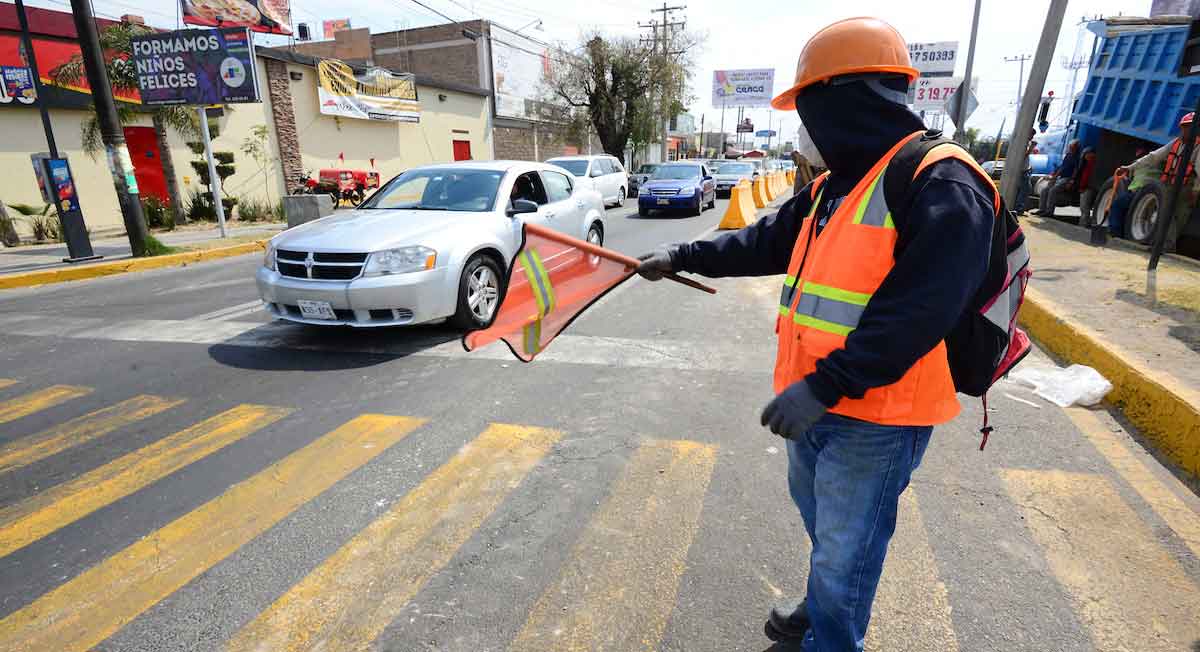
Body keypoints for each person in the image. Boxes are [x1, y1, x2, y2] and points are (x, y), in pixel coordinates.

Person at [636, 17, 996, 652]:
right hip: (820, 399)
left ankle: (831, 637)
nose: (803, 125)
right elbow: (767, 240)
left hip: (878, 413)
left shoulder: (941, 180)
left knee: (847, 547)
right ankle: (824, 604)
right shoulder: (835, 183)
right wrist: (684, 254)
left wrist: (826, 386)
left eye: (806, 104)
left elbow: (918, 310)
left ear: (844, 99)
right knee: (826, 528)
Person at [1116, 113, 1200, 248]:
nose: (1186, 130)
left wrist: (1196, 190)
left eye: (1190, 127)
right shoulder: (1176, 143)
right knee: (1167, 213)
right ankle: (1164, 245)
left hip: (1185, 188)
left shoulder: (1197, 147)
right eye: (1184, 127)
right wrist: (1130, 167)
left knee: (1179, 217)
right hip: (1169, 185)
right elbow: (1153, 157)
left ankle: (1166, 245)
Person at [1105, 145, 1151, 237]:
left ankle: (1115, 231)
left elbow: (1130, 179)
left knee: (1117, 205)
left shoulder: (1138, 164)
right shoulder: (1157, 164)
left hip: (1136, 191)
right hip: (1149, 193)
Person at [1034, 139, 1080, 217]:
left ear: (1076, 147)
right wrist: (1054, 175)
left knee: (1053, 190)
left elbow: (1076, 170)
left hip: (1067, 178)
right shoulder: (1068, 155)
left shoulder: (1076, 158)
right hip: (1060, 177)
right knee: (1045, 190)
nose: (1071, 148)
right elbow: (1062, 167)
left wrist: (1071, 181)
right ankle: (1042, 209)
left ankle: (1049, 211)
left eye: (1073, 147)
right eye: (1070, 146)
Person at [1075, 148, 1099, 225]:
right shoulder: (1089, 163)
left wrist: (1082, 187)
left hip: (1087, 188)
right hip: (1087, 187)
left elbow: (1086, 177)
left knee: (1084, 207)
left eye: (1087, 154)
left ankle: (1083, 223)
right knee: (1085, 207)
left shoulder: (1090, 164)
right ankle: (1083, 222)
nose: (1086, 156)